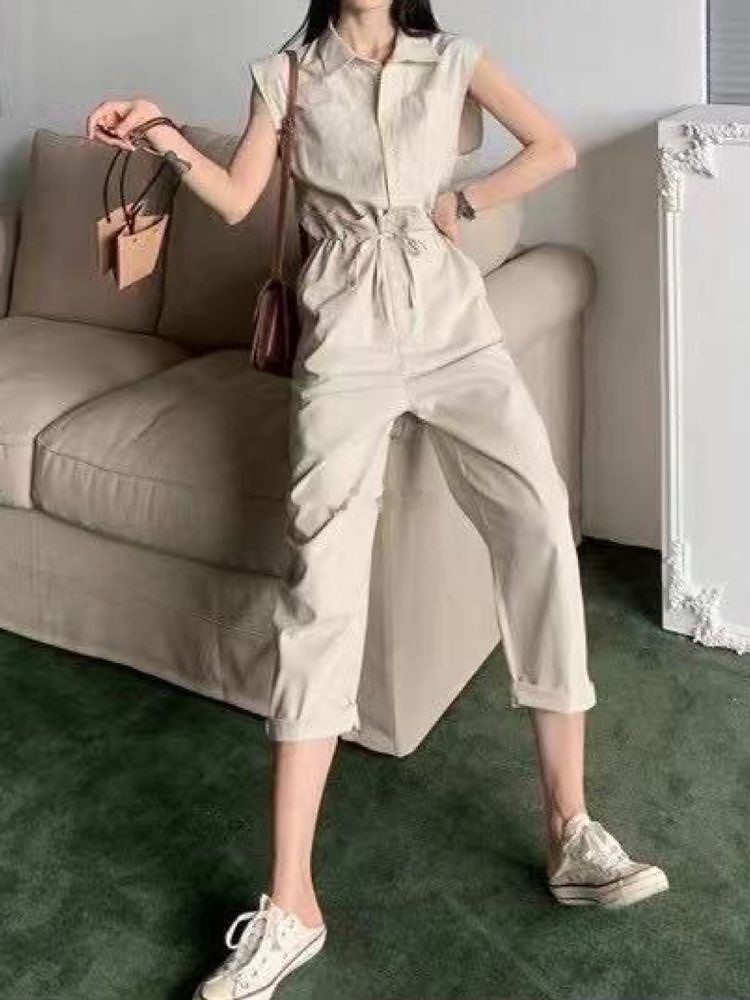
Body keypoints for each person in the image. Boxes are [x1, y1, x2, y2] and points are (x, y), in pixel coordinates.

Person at [86, 2, 669, 997]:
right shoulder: (287, 76)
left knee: (538, 523)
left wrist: (465, 204)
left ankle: (570, 828)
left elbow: (555, 148)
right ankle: (290, 903)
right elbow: (239, 199)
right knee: (320, 584)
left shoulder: (454, 61)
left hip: (453, 325)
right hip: (346, 336)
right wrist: (161, 133)